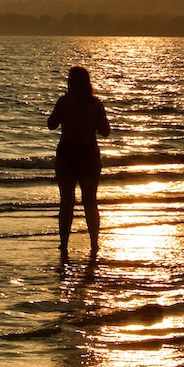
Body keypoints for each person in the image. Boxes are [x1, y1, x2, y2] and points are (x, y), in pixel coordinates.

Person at [47, 66, 111, 264]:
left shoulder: (64, 102)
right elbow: (105, 131)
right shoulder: (95, 104)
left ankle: (64, 244)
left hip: (67, 155)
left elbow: (51, 124)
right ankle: (93, 243)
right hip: (89, 155)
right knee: (90, 202)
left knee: (67, 202)